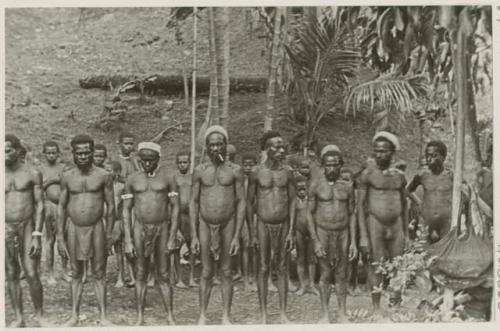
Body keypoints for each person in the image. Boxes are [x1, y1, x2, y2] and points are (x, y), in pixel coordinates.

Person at [56, 134, 115, 326]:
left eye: (86, 153)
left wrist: (109, 235)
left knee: (99, 272)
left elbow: (111, 207)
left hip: (97, 227)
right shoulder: (67, 177)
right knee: (76, 272)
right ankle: (74, 315)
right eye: (79, 153)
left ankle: (103, 316)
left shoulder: (103, 175)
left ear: (92, 153)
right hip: (74, 228)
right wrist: (59, 237)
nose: (83, 157)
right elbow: (61, 207)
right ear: (73, 154)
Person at [190, 125, 246, 325]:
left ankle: (226, 315)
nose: (216, 148)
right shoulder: (199, 171)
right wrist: (194, 235)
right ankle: (203, 315)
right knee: (205, 271)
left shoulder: (235, 171)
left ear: (225, 146)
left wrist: (237, 235)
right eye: (212, 145)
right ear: (206, 147)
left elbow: (241, 202)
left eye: (219, 144)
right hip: (205, 224)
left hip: (228, 223)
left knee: (226, 271)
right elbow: (194, 202)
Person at [123, 142, 179, 325]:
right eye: (143, 160)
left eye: (151, 160)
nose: (147, 164)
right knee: (140, 273)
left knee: (163, 274)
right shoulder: (132, 179)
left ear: (158, 159)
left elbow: (175, 208)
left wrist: (172, 236)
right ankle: (140, 316)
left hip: (161, 228)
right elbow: (126, 210)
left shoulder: (168, 178)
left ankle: (170, 315)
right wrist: (128, 240)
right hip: (139, 228)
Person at [247, 131, 296, 324]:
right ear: (266, 149)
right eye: (276, 146)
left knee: (283, 267)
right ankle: (263, 314)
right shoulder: (256, 173)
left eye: (283, 146)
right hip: (262, 223)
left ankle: (283, 313)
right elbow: (249, 203)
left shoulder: (288, 172)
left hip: (283, 224)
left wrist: (291, 229)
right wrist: (252, 233)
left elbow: (292, 201)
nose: (281, 150)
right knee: (264, 266)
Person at [357, 131, 409, 314]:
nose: (379, 154)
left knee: (398, 266)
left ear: (392, 152)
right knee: (376, 266)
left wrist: (407, 234)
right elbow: (360, 206)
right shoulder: (368, 174)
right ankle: (376, 309)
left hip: (396, 225)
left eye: (384, 151)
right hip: (375, 224)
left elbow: (404, 204)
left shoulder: (399, 176)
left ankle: (395, 307)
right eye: (376, 151)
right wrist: (363, 236)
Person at [307, 145, 357, 323]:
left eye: (336, 165)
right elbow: (309, 214)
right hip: (323, 233)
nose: (332, 168)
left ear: (340, 165)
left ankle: (343, 313)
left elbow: (351, 214)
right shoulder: (315, 186)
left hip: (343, 234)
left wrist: (353, 243)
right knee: (326, 274)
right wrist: (315, 241)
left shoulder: (348, 187)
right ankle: (325, 314)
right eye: (328, 165)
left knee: (342, 274)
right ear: (323, 166)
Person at [5, 134, 46, 327]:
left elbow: (40, 205)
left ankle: (40, 316)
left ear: (18, 151)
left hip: (27, 226)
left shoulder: (32, 173)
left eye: (8, 150)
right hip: (5, 228)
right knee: (11, 273)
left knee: (31, 272)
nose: (4, 154)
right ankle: (19, 318)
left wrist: (38, 234)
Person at [407, 141, 452, 243]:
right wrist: (418, 202)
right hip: (426, 222)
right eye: (427, 155)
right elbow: (408, 190)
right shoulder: (422, 175)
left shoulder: (451, 176)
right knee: (423, 252)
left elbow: (465, 192)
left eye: (433, 156)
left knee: (444, 251)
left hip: (446, 223)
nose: (428, 159)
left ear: (443, 157)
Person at [39, 140, 70, 284]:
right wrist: (52, 180)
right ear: (44, 154)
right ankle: (50, 273)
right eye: (48, 153)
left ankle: (64, 270)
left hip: (63, 207)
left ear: (58, 154)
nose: (51, 155)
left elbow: (67, 183)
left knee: (64, 238)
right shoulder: (41, 169)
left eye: (54, 153)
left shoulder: (64, 168)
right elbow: (39, 188)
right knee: (50, 240)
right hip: (48, 206)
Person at [172, 150, 197, 288]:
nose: (182, 165)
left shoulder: (193, 178)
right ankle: (179, 279)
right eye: (180, 162)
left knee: (192, 246)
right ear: (177, 164)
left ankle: (192, 277)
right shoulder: (174, 178)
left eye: (185, 162)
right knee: (176, 247)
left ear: (189, 163)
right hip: (179, 216)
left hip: (191, 216)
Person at [293, 175, 319, 296]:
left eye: (304, 189)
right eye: (299, 189)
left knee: (312, 258)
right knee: (300, 258)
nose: (302, 192)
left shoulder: (312, 200)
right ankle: (303, 285)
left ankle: (312, 285)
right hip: (299, 231)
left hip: (311, 231)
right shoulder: (293, 201)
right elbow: (292, 218)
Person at [240, 153, 258, 292]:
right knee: (246, 246)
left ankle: (254, 276)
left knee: (256, 246)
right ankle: (245, 278)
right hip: (242, 217)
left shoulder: (257, 179)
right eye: (245, 165)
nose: (248, 168)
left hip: (255, 215)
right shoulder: (240, 180)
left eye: (251, 165)